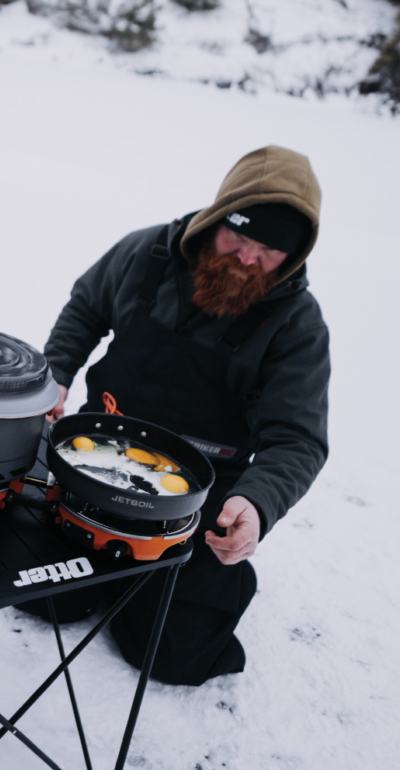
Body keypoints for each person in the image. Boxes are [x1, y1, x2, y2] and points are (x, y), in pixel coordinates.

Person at [41, 145, 329, 686]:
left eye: (267, 251)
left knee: (174, 655)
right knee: (43, 598)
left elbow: (297, 438)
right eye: (236, 238)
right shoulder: (148, 252)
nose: (246, 259)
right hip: (95, 463)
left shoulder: (298, 325)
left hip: (194, 499)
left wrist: (257, 503)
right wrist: (55, 373)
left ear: (291, 256)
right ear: (217, 218)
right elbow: (86, 306)